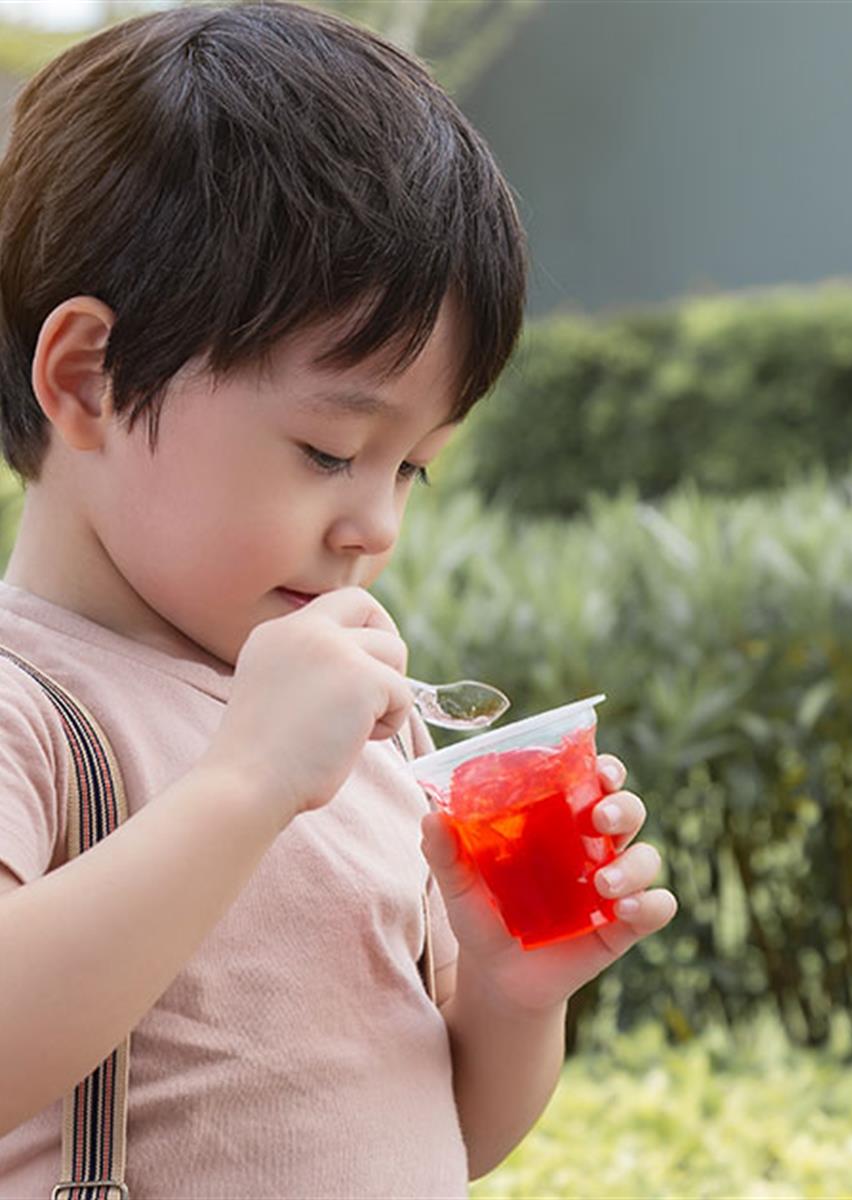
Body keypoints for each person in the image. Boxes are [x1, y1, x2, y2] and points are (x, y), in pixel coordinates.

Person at [0, 3, 676, 1196]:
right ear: (89, 380)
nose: (378, 523)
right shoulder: (32, 710)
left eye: (413, 466)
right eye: (329, 449)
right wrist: (245, 784)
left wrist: (513, 993)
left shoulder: (361, 732)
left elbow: (445, 1136)